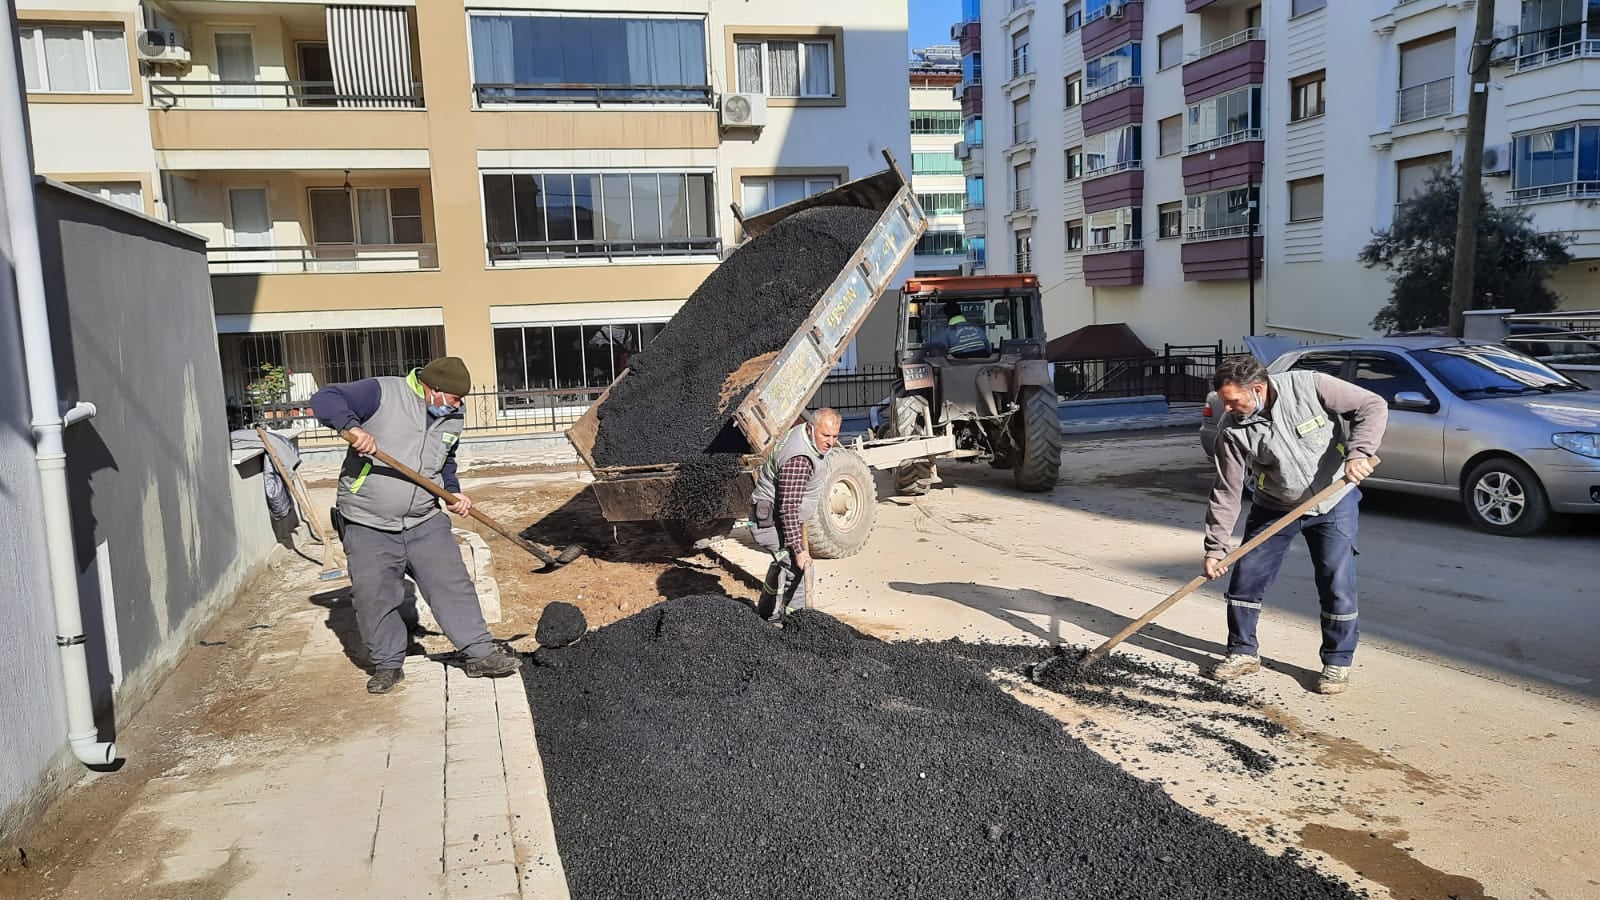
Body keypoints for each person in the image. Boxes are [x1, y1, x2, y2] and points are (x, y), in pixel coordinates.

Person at [311, 356, 522, 694]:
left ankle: (480, 653)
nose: (459, 405)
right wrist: (352, 428)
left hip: (424, 518)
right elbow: (325, 398)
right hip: (368, 521)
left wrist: (452, 493)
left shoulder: (452, 415)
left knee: (452, 583)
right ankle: (388, 665)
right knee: (374, 595)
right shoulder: (382, 392)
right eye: (455, 398)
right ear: (434, 389)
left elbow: (445, 460)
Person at [1201, 354, 1387, 695]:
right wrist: (1216, 548)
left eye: (1233, 400)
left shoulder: (1309, 386)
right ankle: (1242, 652)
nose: (1228, 409)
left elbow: (1372, 405)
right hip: (1274, 507)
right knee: (1247, 578)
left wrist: (1359, 452)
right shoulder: (1231, 431)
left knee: (1336, 581)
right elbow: (1226, 491)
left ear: (1257, 389)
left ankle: (1337, 662)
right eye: (1225, 402)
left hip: (1333, 501)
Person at [748, 408, 842, 623]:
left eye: (835, 436)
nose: (830, 442)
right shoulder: (799, 459)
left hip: (775, 516)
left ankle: (766, 614)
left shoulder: (802, 433)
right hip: (769, 520)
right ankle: (796, 625)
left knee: (784, 563)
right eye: (825, 436)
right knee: (798, 569)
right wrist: (799, 550)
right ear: (811, 428)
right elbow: (788, 507)